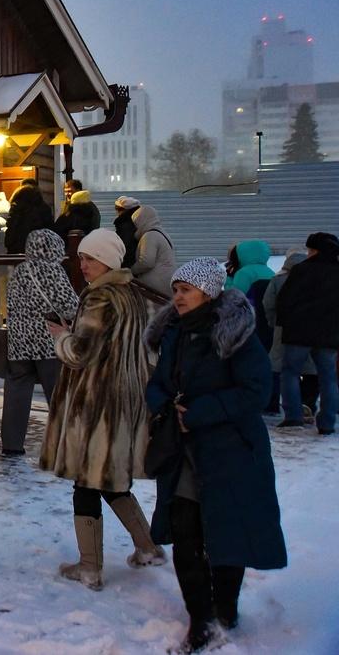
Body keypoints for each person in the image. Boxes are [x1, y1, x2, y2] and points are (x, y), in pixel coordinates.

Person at [144, 258, 287, 653]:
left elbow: (255, 389)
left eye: (186, 290)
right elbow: (157, 383)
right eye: (175, 290)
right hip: (183, 451)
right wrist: (162, 405)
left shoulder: (235, 333)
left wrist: (202, 413)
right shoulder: (173, 330)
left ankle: (226, 608)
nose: (178, 297)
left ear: (208, 292)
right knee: (186, 533)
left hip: (231, 453)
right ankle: (200, 619)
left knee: (226, 534)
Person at [40, 228, 165, 591]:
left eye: (89, 258)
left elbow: (80, 354)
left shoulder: (100, 299)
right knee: (111, 480)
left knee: (87, 483)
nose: (83, 265)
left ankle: (90, 567)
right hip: (122, 402)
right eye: (80, 258)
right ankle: (147, 548)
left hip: (96, 407)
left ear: (108, 260)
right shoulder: (131, 296)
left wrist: (60, 336)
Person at [0, 229, 79, 456]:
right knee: (58, 395)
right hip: (48, 343)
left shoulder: (19, 272)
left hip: (19, 344)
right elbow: (71, 306)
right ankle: (67, 443)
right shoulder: (53, 271)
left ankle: (11, 445)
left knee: (16, 393)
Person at [274, 231, 339, 434]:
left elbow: (284, 300)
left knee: (291, 373)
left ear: (314, 250)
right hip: (329, 334)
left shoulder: (301, 270)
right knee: (328, 377)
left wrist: (284, 322)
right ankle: (327, 422)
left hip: (298, 333)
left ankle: (293, 417)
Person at [262, 250, 311, 416]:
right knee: (310, 367)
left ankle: (273, 404)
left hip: (282, 328)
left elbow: (268, 303)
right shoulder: (315, 279)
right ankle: (308, 403)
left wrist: (273, 322)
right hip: (312, 329)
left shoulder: (278, 279)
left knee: (278, 366)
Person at [129, 205, 175, 295]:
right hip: (165, 283)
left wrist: (131, 271)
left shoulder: (150, 236)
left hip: (155, 288)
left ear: (142, 220)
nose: (135, 225)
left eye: (136, 222)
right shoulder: (161, 233)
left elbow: (146, 262)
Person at [4, 183, 55, 254]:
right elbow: (49, 230)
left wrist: (9, 243)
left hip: (18, 250)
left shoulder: (16, 208)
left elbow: (11, 229)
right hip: (39, 249)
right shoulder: (44, 209)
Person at [113, 196, 141, 268]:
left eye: (117, 209)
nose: (116, 212)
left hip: (128, 265)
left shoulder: (126, 224)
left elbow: (126, 247)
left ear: (124, 210)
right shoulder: (136, 221)